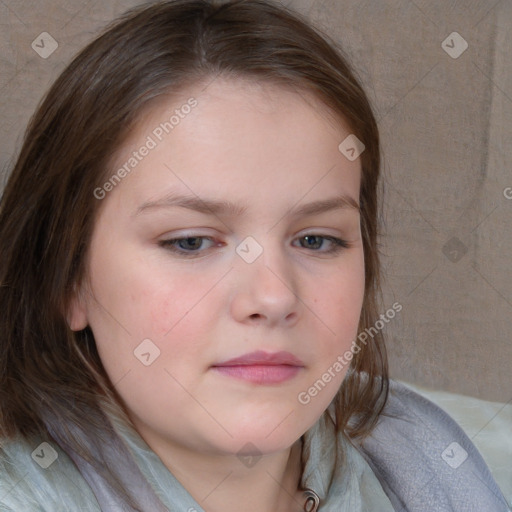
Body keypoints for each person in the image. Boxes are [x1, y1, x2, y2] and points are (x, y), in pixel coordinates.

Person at [0, 1, 508, 511]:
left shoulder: (440, 457)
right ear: (67, 278)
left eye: (316, 240)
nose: (273, 296)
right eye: (191, 241)